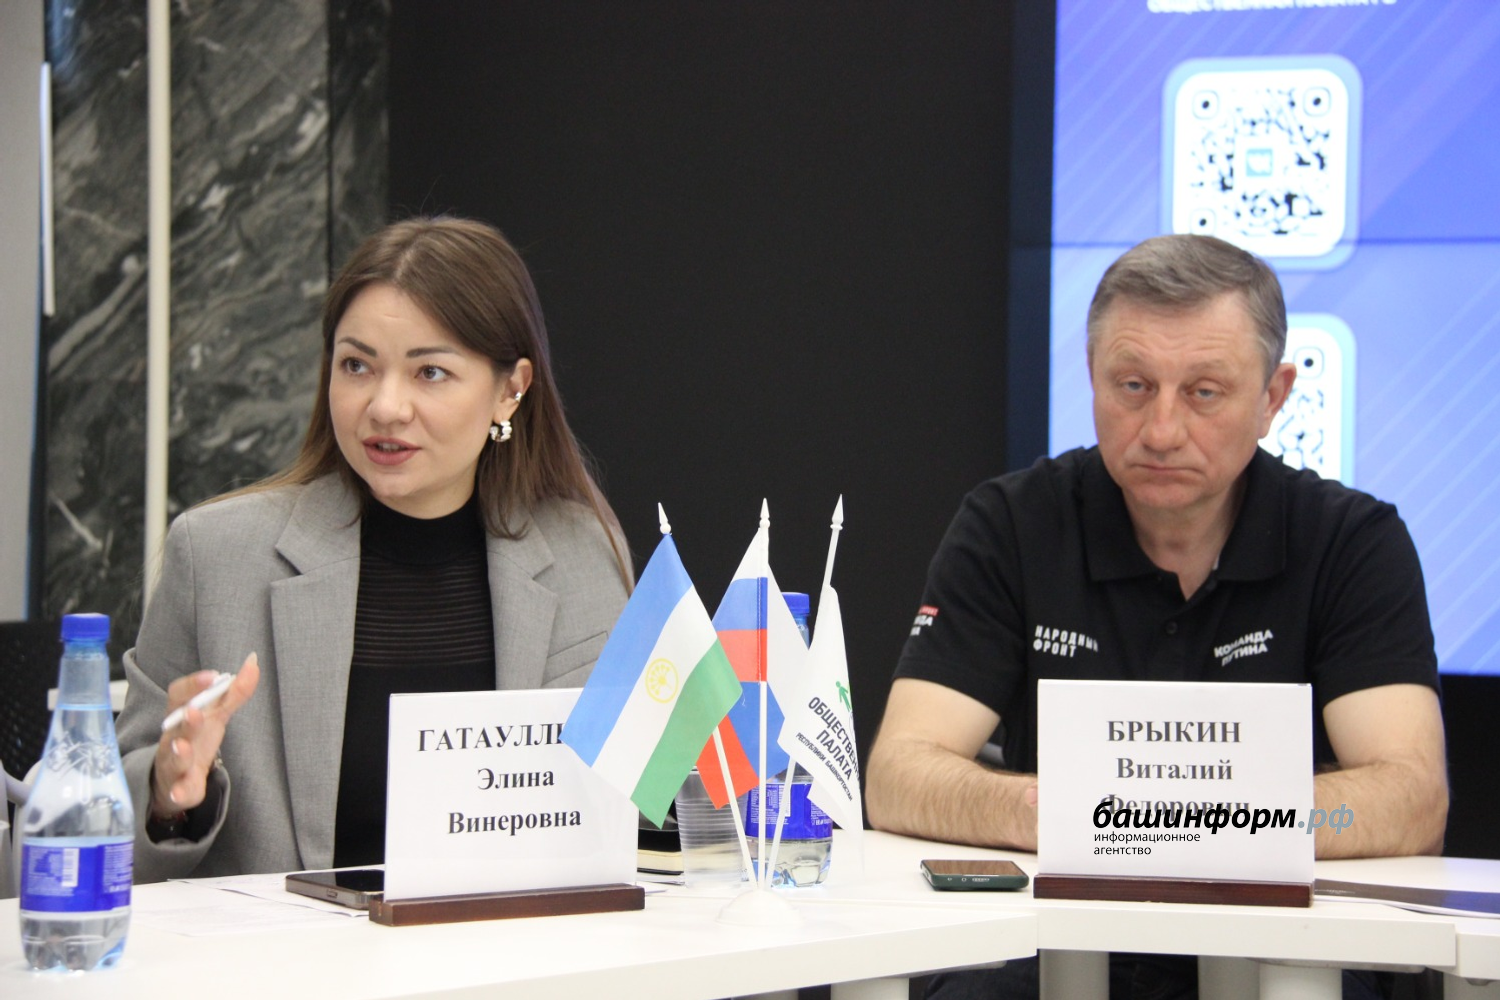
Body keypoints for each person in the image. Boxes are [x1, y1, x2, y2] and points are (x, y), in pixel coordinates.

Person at [865, 234, 1447, 999]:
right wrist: (1067, 814)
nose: (1163, 430)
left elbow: (1412, 798)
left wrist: (1155, 823)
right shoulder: (1012, 523)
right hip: (1052, 948)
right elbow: (898, 773)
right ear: (1092, 376)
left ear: (1273, 398)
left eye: (1204, 392)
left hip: (1281, 953)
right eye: (1134, 385)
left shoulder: (1350, 541)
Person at [115, 216, 632, 882]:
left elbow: (621, 810)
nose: (386, 407)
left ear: (511, 389)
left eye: (430, 372)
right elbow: (102, 819)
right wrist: (167, 794)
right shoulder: (216, 556)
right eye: (357, 365)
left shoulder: (582, 553)